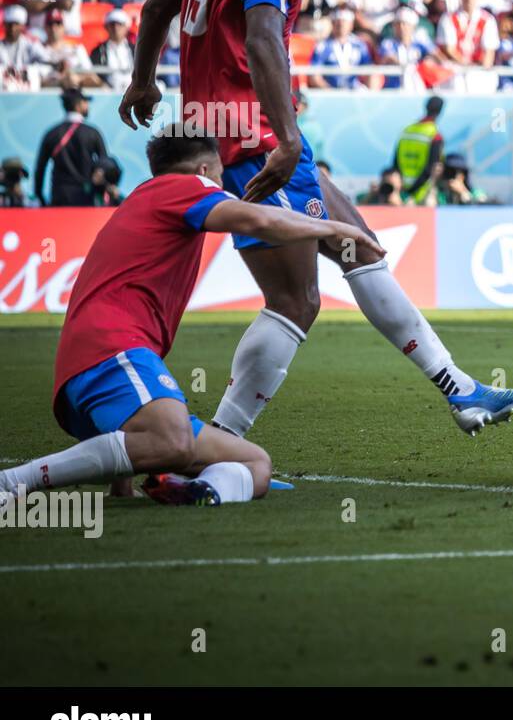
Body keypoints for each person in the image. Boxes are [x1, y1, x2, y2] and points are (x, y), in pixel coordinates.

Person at [118, 0, 513, 440]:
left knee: (359, 245)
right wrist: (285, 140)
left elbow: (158, 6)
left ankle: (459, 388)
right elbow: (262, 37)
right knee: (296, 303)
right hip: (253, 139)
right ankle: (221, 445)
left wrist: (143, 81)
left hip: (227, 131)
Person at [0, 127, 380, 509]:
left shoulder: (145, 199)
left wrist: (121, 484)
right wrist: (336, 227)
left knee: (255, 463)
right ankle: (14, 481)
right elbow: (259, 221)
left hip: (99, 364)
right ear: (202, 168)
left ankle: (199, 490)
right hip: (110, 351)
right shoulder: (184, 187)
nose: (221, 184)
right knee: (173, 440)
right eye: (219, 176)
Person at [34, 87, 106, 205]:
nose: (87, 105)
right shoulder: (93, 133)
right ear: (78, 105)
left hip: (59, 196)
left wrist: (40, 196)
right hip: (86, 196)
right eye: (85, 102)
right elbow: (105, 164)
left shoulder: (52, 133)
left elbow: (40, 168)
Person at [392, 95, 444, 205]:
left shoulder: (406, 131)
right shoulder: (434, 135)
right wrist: (413, 190)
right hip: (421, 193)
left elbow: (395, 163)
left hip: (401, 191)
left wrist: (404, 189)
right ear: (440, 111)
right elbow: (431, 168)